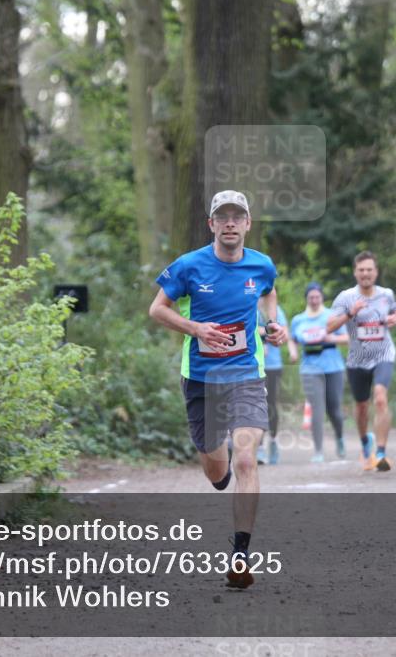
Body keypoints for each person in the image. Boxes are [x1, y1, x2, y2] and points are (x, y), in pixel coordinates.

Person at [149, 189, 287, 589]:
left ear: (247, 224)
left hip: (246, 374)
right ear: (211, 224)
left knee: (246, 459)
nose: (229, 223)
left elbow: (269, 292)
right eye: (221, 217)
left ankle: (241, 554)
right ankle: (218, 470)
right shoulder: (189, 266)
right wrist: (196, 329)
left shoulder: (261, 266)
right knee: (217, 467)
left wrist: (273, 324)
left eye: (236, 216)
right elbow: (157, 309)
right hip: (201, 380)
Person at [326, 251, 396, 471]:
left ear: (376, 272)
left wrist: (395, 318)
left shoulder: (386, 294)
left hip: (383, 354)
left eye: (369, 269)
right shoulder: (346, 297)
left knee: (380, 398)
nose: (365, 274)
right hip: (357, 359)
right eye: (361, 270)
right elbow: (329, 327)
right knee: (361, 406)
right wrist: (350, 313)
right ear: (355, 272)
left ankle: (381, 452)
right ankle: (365, 442)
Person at [288, 282, 349, 463]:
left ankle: (339, 437)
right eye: (311, 297)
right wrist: (293, 352)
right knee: (317, 409)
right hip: (310, 368)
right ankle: (318, 451)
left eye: (317, 297)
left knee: (334, 409)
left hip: (333, 366)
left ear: (322, 297)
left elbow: (347, 337)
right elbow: (292, 339)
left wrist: (333, 338)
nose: (314, 300)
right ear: (306, 299)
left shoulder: (332, 316)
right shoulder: (299, 320)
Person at [257, 305, 287, 465]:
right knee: (256, 405)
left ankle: (273, 441)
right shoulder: (245, 303)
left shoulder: (275, 310)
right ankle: (259, 447)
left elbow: (284, 334)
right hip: (253, 365)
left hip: (273, 365)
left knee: (271, 404)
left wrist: (264, 334)